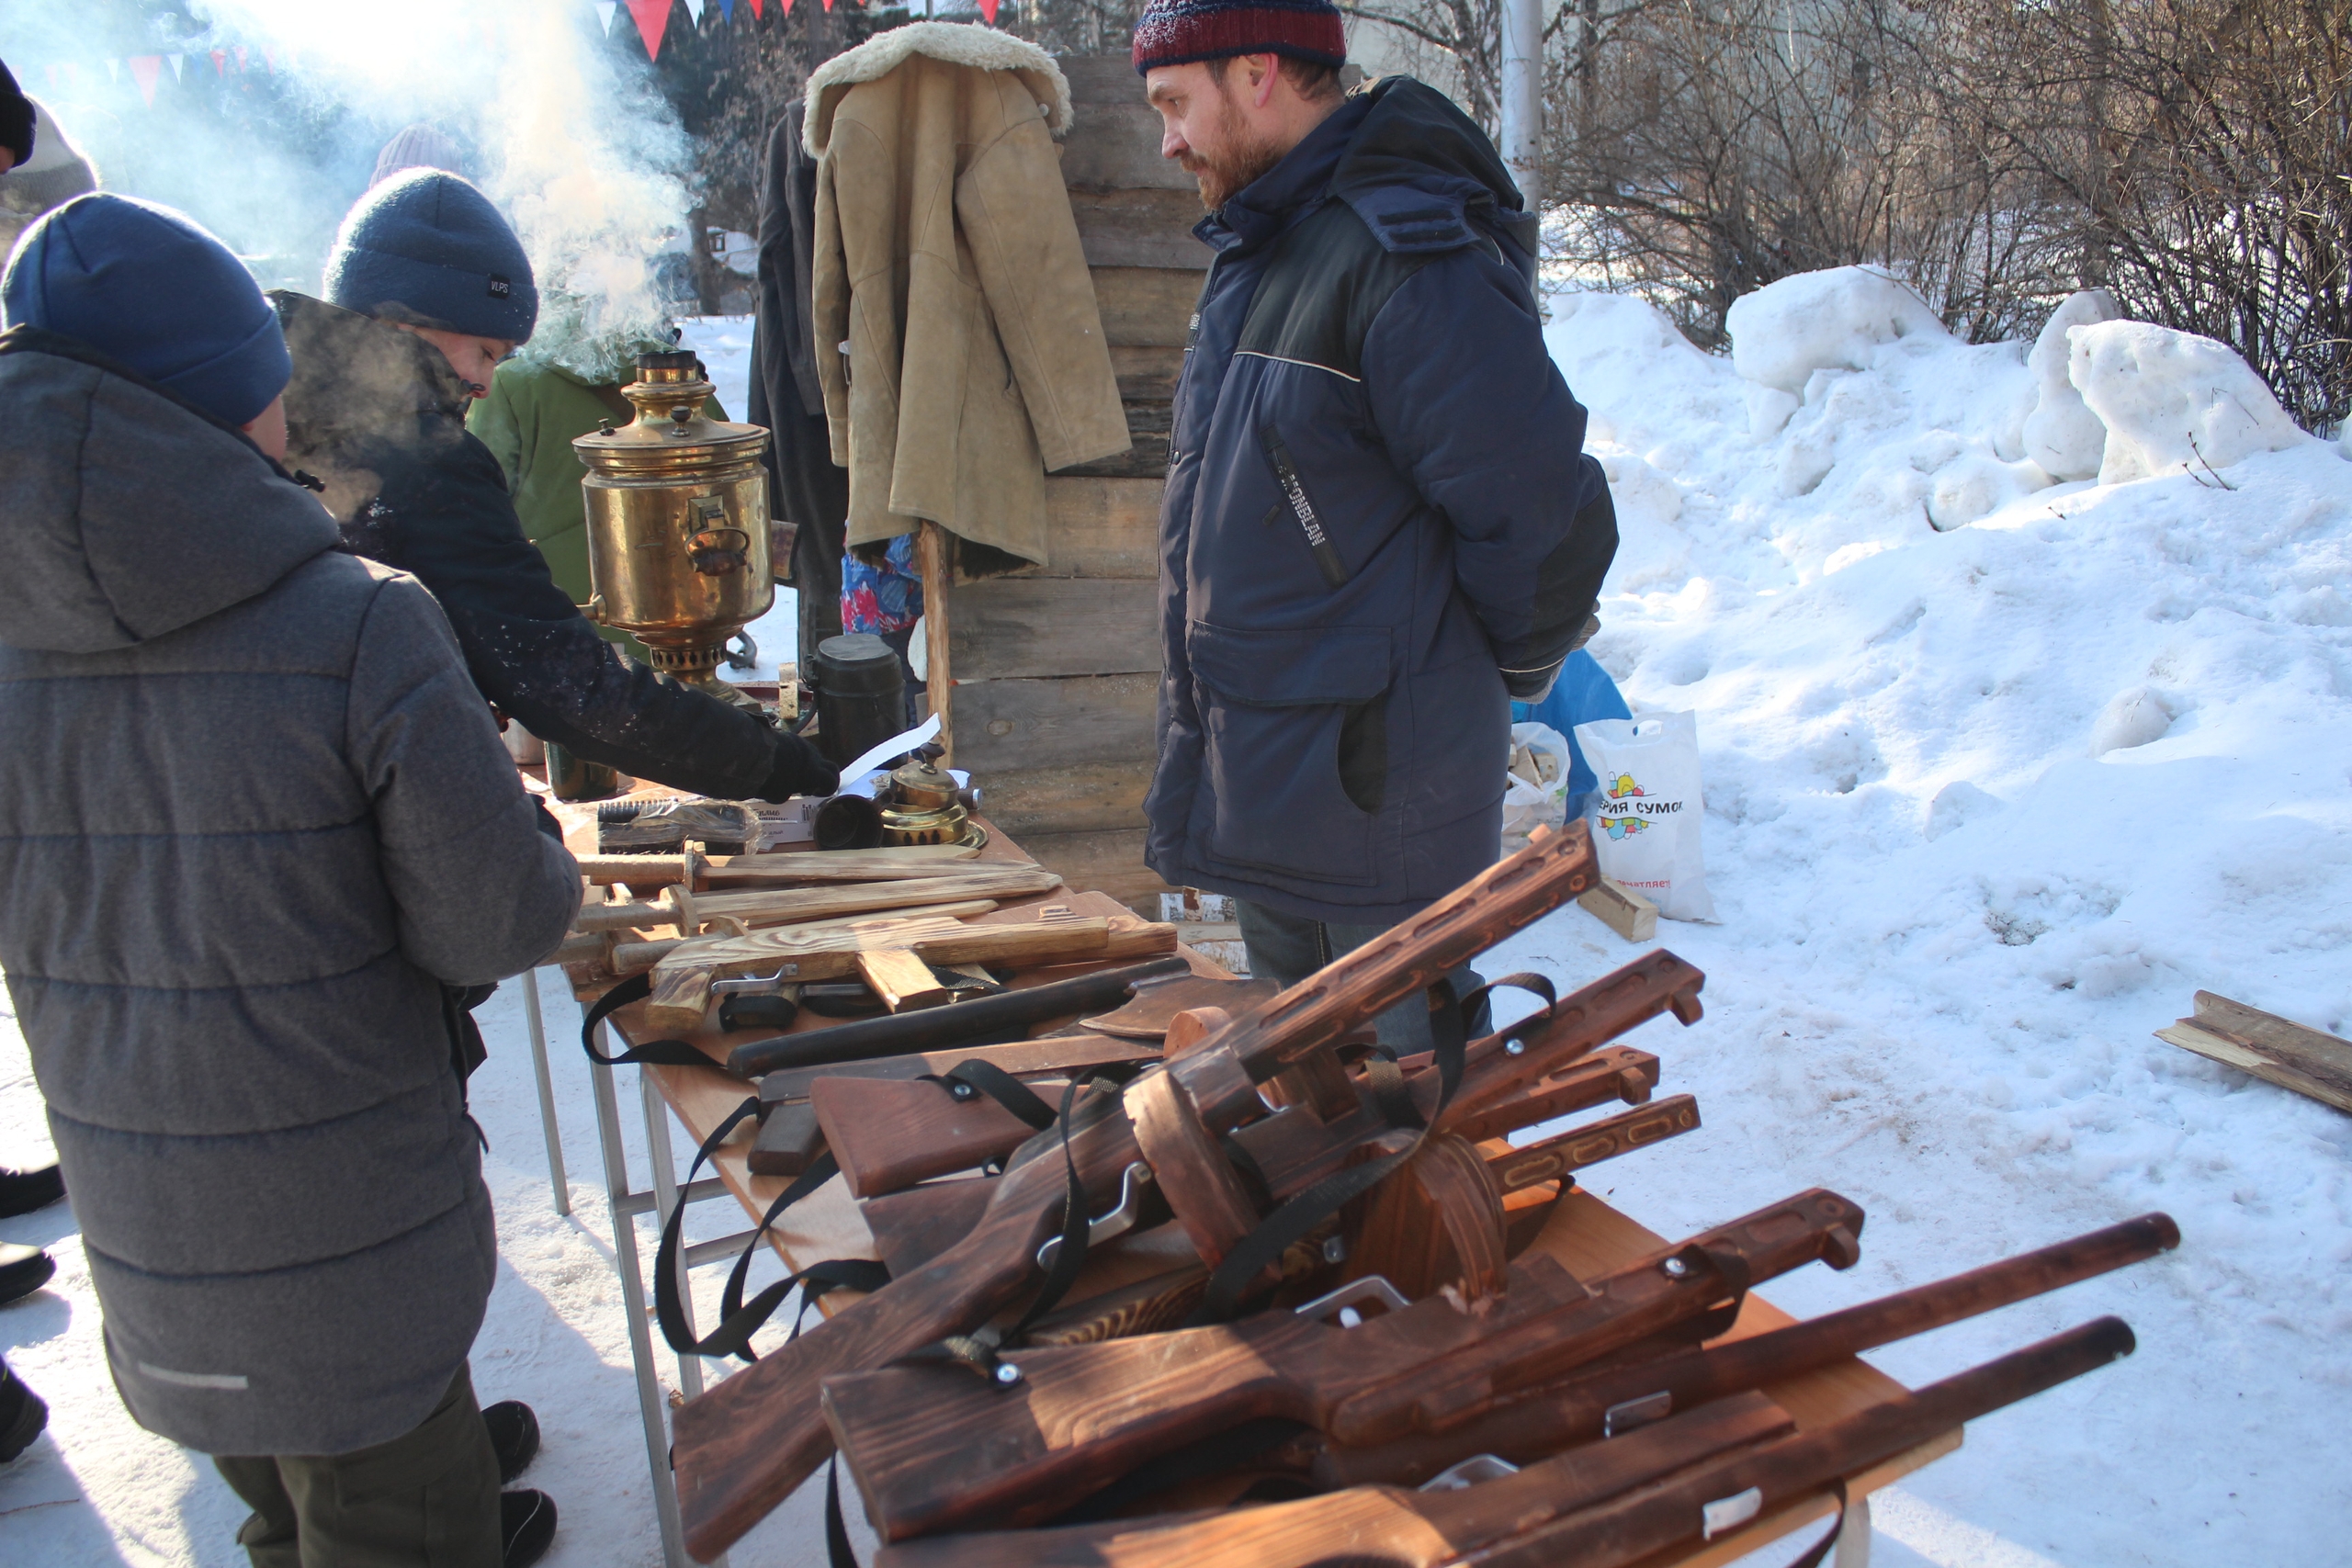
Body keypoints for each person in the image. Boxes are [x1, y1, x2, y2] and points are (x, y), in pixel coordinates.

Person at [0, 193, 579, 1567]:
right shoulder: (358, 619)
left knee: (277, 1472)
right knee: (387, 1491)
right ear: (225, 398)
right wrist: (524, 836)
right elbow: (494, 919)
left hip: (148, 1217)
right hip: (354, 1227)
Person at [1133, 7, 1618, 1045]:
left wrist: (1472, 681)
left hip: (1367, 811)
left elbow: (1538, 511)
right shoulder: (1273, 242)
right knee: (1307, 1110)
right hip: (1276, 785)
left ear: (1257, 72)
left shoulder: (1403, 253)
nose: (1167, 140)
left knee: (1404, 1119)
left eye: (1175, 104)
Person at [278, 169, 839, 804]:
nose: (485, 383)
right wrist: (771, 763)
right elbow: (566, 684)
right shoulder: (420, 456)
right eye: (485, 351)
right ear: (409, 318)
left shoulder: (264, 407)